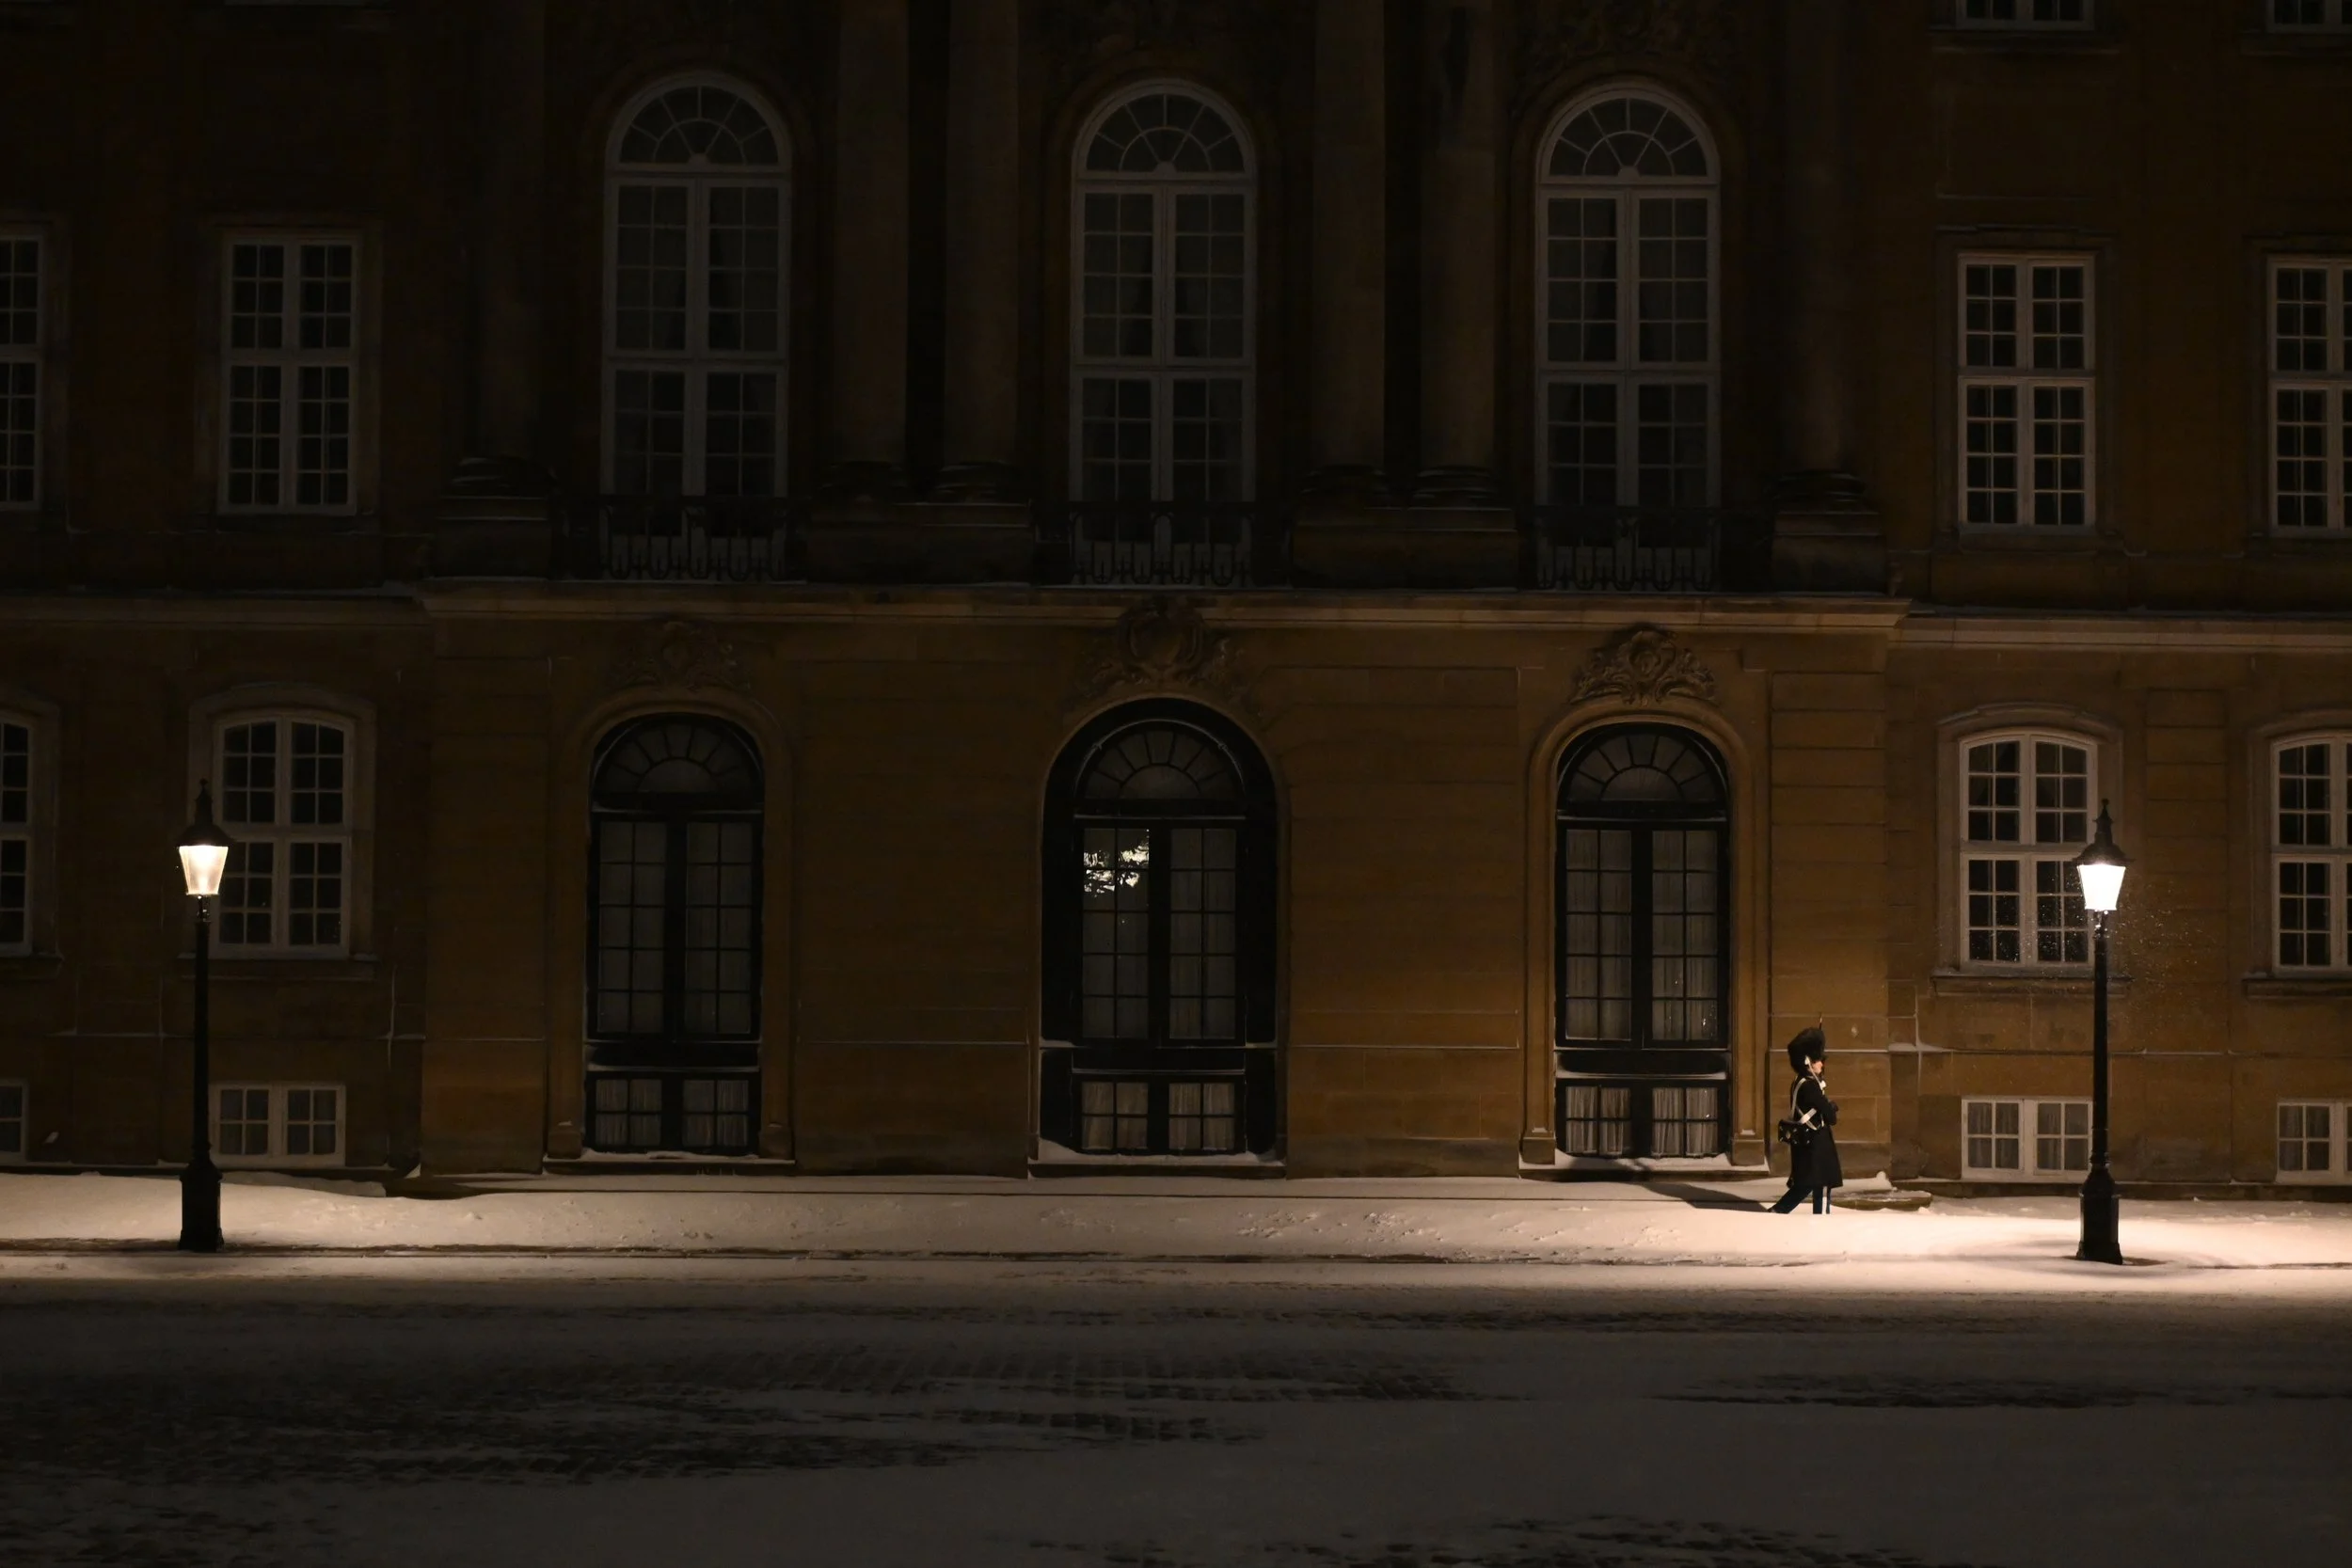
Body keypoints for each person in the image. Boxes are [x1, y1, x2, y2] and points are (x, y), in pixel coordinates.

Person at [1770, 1026, 1842, 1214]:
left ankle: (1814, 1215)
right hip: (1816, 1142)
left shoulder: (1799, 1082)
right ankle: (1780, 1211)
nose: (1821, 1065)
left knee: (1813, 1183)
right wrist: (1831, 1107)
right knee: (1811, 1184)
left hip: (1808, 1141)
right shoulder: (1810, 1086)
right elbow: (1830, 1117)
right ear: (1808, 1061)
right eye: (1818, 1061)